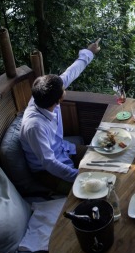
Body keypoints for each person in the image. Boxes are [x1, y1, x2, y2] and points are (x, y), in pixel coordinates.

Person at [20, 39, 101, 194]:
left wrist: (89, 51)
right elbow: (49, 162)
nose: (65, 86)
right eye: (63, 89)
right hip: (46, 171)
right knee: (90, 191)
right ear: (58, 101)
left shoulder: (43, 96)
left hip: (63, 148)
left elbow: (70, 73)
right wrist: (79, 176)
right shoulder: (35, 126)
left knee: (101, 157)